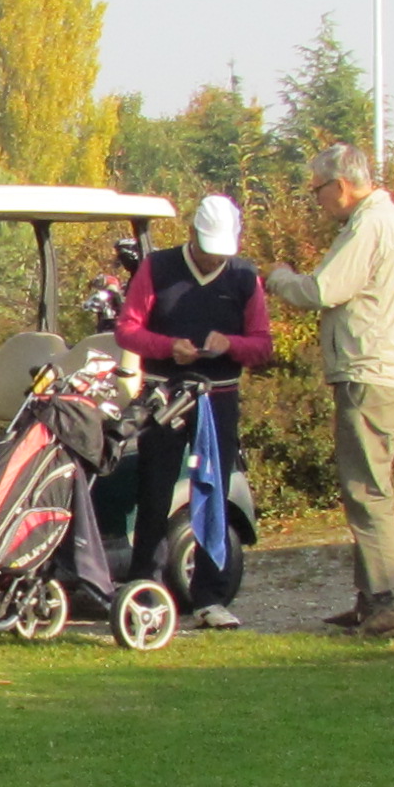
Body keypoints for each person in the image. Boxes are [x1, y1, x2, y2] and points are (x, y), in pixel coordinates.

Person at [262, 140, 394, 637]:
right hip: (386, 370)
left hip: (369, 372)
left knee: (366, 491)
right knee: (369, 486)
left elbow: (321, 290)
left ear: (340, 186)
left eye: (317, 190)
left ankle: (392, 602)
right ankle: (371, 599)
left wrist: (277, 278)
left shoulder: (370, 226)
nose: (316, 201)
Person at [108, 192, 271, 626]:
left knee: (214, 492)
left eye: (221, 252)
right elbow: (128, 329)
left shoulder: (244, 277)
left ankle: (210, 597)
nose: (213, 258)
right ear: (193, 235)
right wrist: (167, 347)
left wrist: (230, 344)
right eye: (207, 249)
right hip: (165, 394)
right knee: (154, 491)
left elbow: (262, 345)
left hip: (218, 397)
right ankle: (145, 589)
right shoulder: (157, 267)